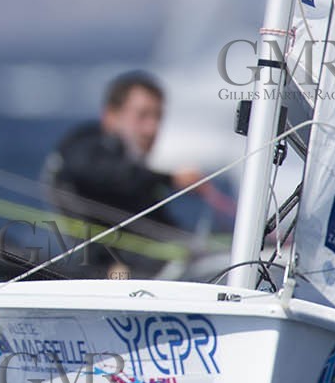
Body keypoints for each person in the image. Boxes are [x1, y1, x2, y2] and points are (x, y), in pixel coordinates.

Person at [40, 70, 214, 275]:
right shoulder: (85, 146)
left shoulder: (136, 171)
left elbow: (162, 225)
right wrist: (170, 179)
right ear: (111, 117)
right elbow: (107, 174)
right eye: (142, 116)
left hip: (143, 264)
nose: (152, 128)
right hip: (102, 270)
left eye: (158, 117)